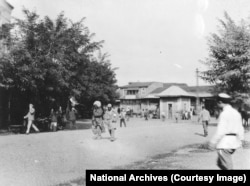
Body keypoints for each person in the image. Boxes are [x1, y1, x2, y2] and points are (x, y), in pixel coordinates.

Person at [208, 93, 244, 170]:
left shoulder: (224, 114)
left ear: (220, 102)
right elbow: (241, 128)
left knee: (227, 167)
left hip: (225, 144)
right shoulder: (236, 113)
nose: (217, 104)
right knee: (220, 163)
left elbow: (220, 131)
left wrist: (213, 142)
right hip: (233, 143)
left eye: (217, 102)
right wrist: (241, 140)